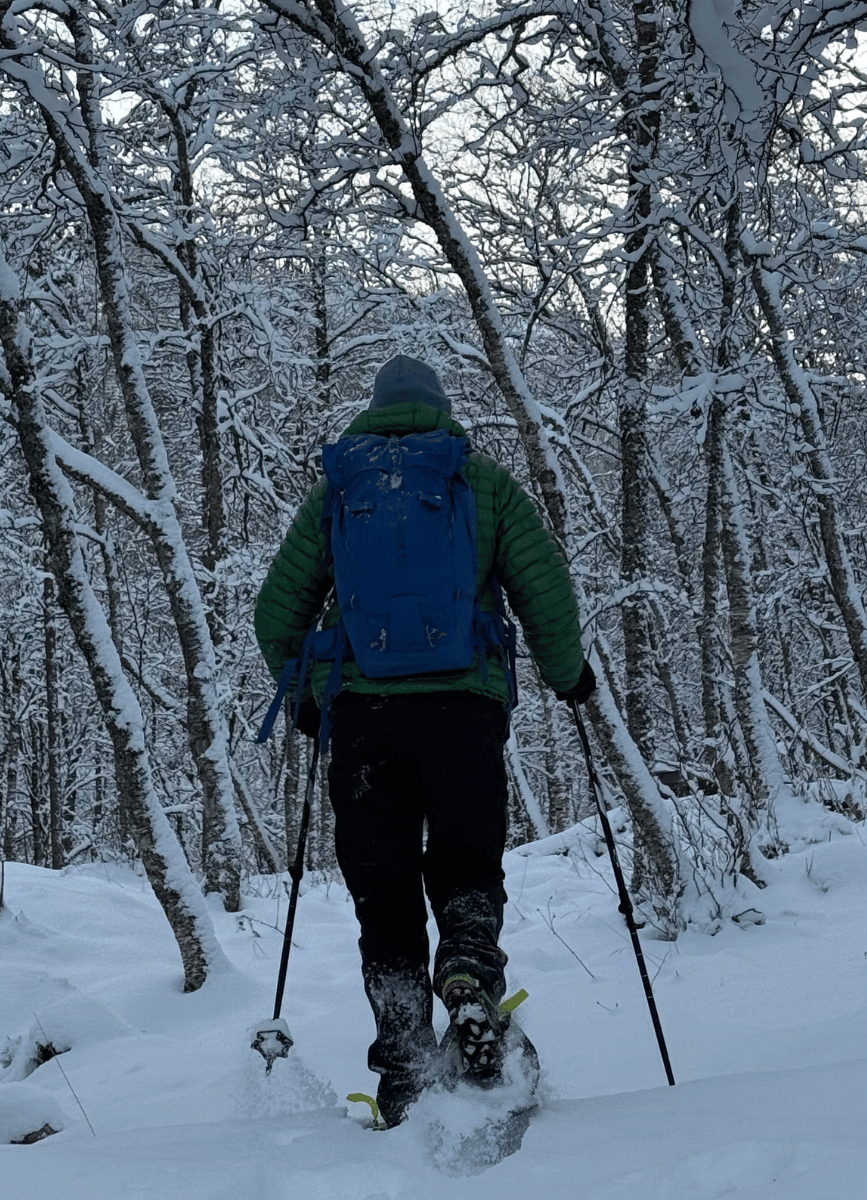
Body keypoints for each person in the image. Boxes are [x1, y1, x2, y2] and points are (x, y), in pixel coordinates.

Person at [254, 355, 596, 1127]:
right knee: (466, 861)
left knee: (385, 893)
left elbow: (275, 613)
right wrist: (569, 676)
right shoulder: (481, 481)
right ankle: (469, 973)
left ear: (374, 412)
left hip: (365, 724)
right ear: (441, 411)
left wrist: (312, 701)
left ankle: (405, 1069)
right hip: (463, 715)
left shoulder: (339, 490)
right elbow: (544, 589)